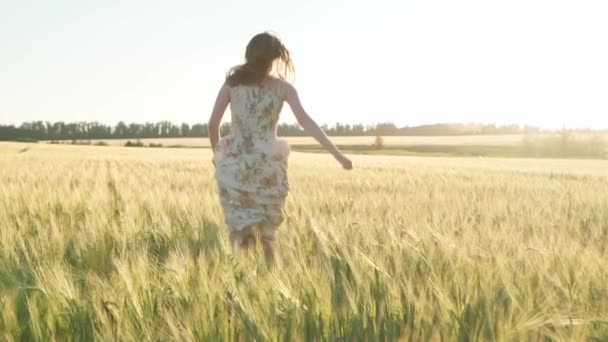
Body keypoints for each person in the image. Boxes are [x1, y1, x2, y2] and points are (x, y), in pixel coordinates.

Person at [208, 32, 352, 265]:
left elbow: (213, 125)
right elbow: (307, 123)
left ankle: (237, 284)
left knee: (239, 231)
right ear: (275, 58)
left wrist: (219, 157)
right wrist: (339, 156)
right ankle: (270, 278)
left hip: (235, 164)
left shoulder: (232, 84)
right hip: (269, 167)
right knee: (267, 236)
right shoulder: (283, 89)